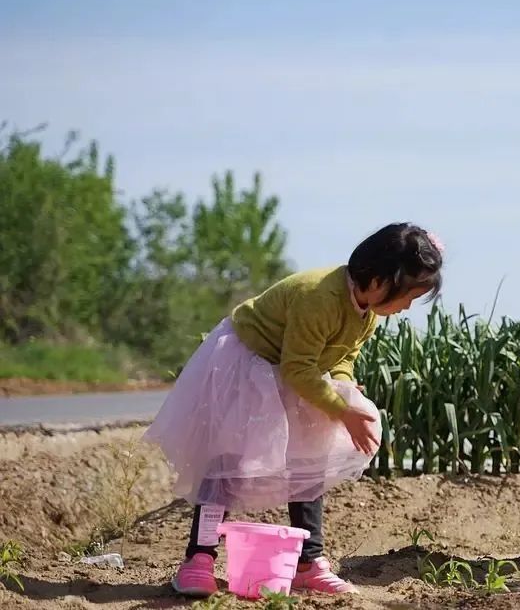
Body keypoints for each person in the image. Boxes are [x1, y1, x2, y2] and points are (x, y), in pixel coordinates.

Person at [143, 222, 444, 597]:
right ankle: (198, 559)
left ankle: (307, 562)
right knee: (227, 462)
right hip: (247, 365)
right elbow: (297, 367)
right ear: (380, 281)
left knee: (309, 461)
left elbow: (343, 356)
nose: (407, 307)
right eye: (408, 296)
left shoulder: (367, 312)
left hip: (289, 373)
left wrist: (344, 386)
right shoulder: (318, 296)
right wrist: (341, 410)